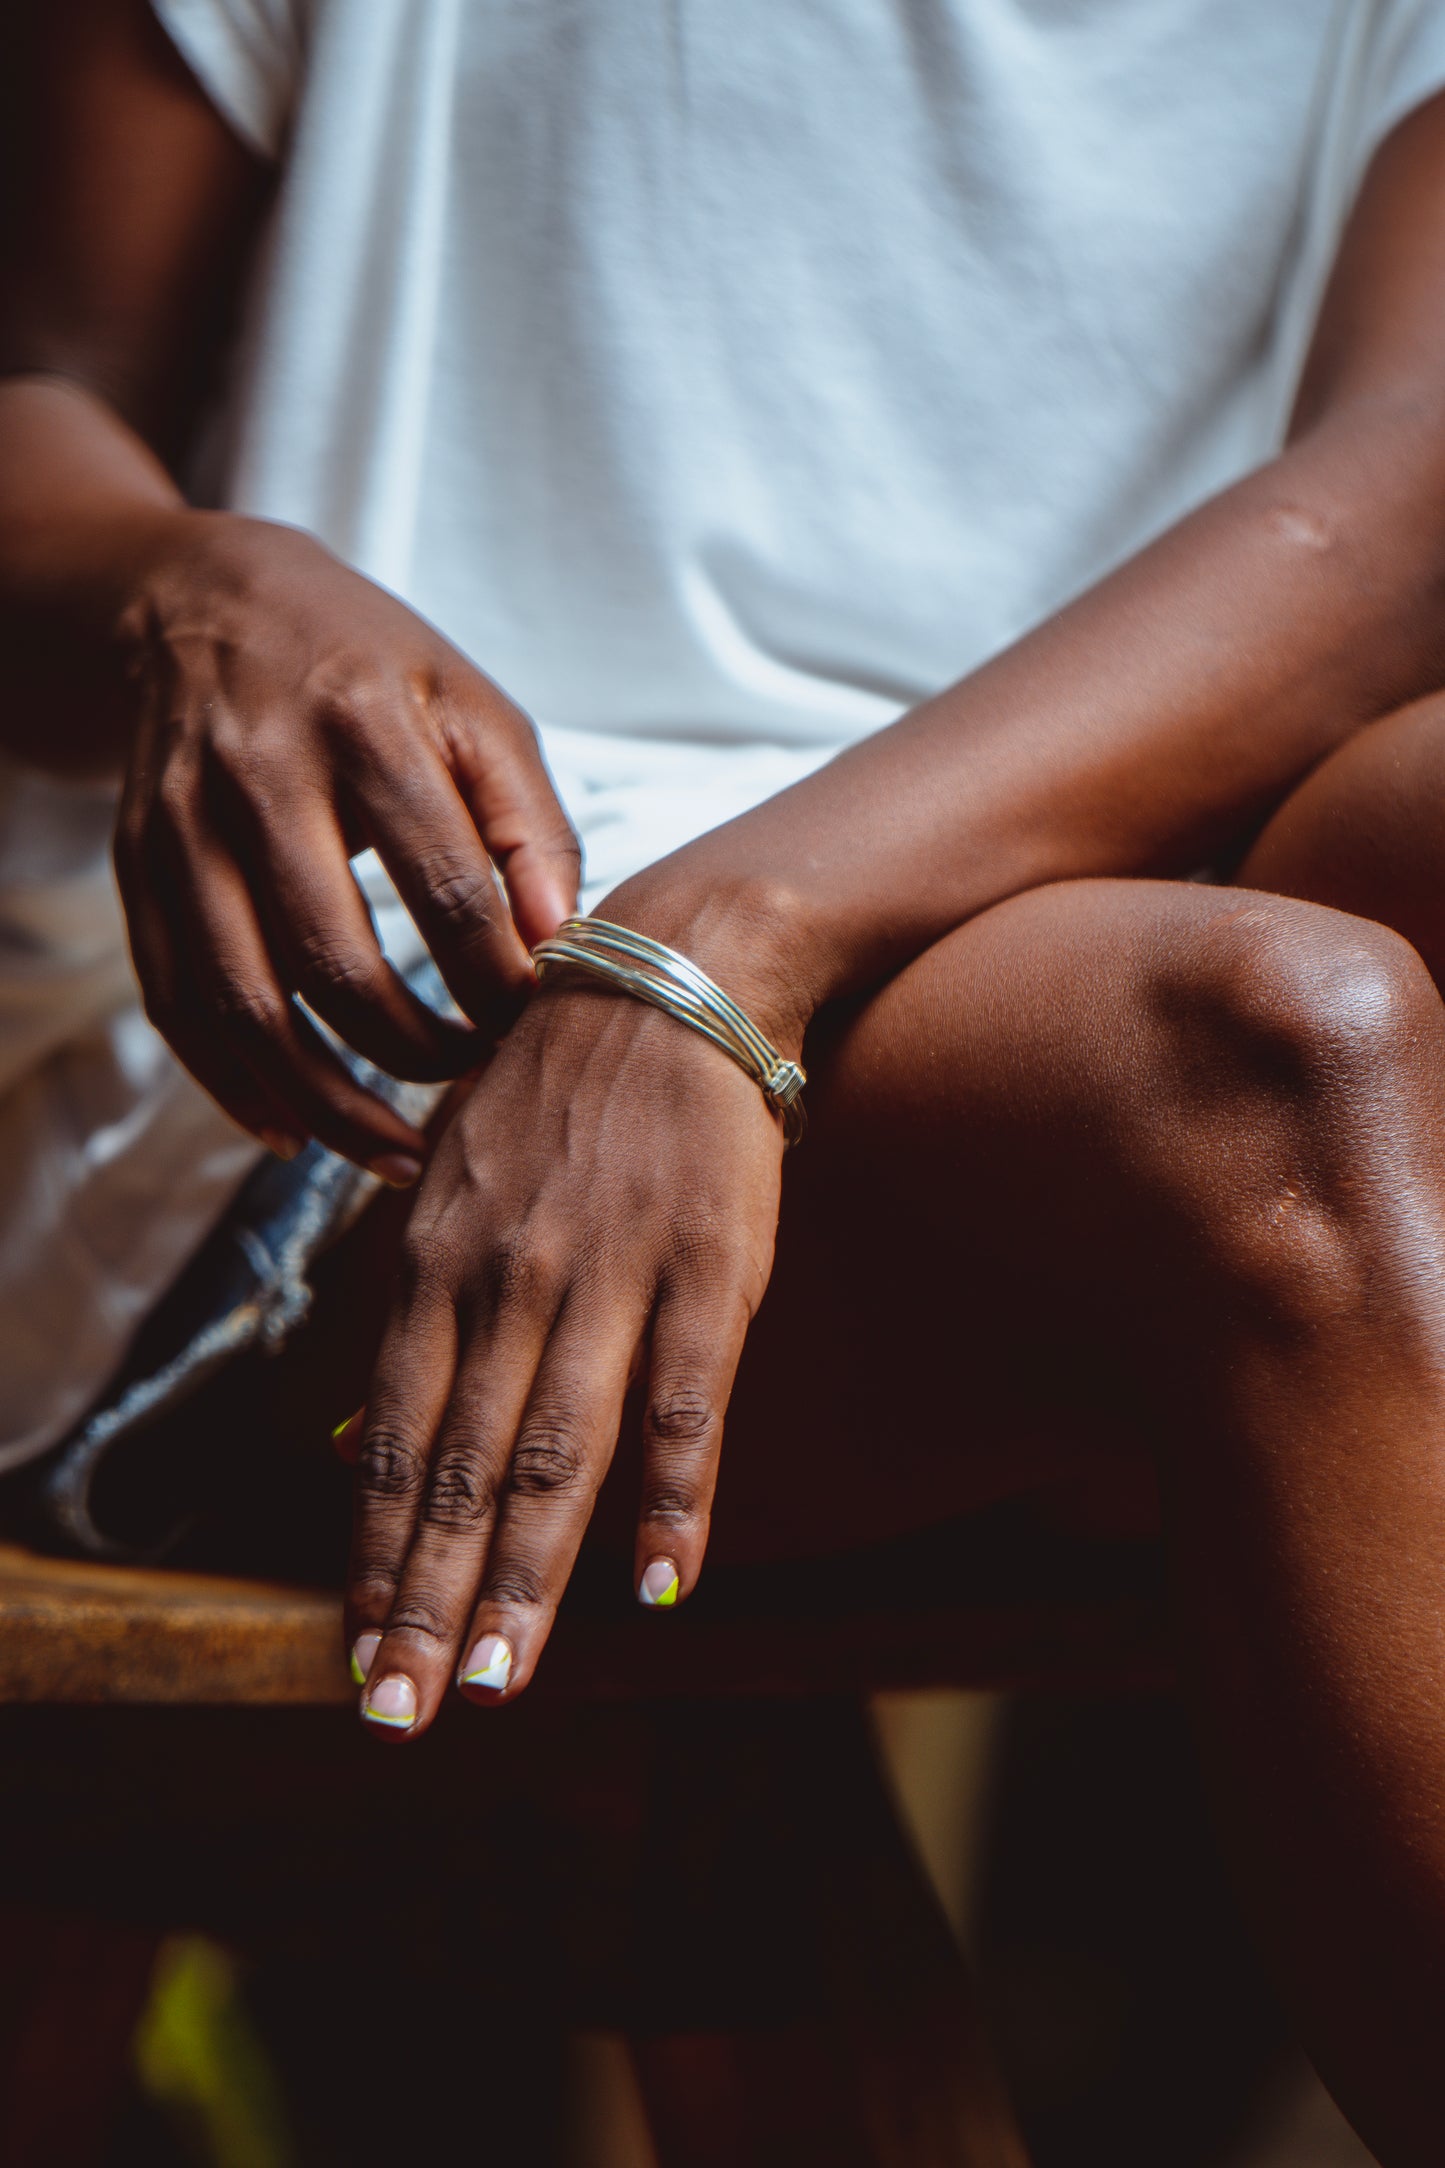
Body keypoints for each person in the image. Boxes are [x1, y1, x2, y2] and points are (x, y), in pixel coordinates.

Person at [6, 0, 1445, 2154]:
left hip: (1043, 857)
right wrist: (184, 584)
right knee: (1266, 1062)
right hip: (398, 1008)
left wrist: (714, 944)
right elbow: (48, 393)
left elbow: (1414, 491)